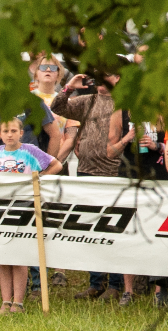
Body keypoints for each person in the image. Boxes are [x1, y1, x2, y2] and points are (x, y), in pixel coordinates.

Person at [51, 71, 136, 302]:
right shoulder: (87, 101)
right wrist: (70, 86)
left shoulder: (128, 104)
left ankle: (116, 284)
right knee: (91, 227)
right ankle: (96, 282)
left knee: (114, 228)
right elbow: (57, 107)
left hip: (114, 172)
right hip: (86, 171)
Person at [0, 116, 60, 314]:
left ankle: (18, 302)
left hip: (24, 206)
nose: (9, 135)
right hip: (1, 208)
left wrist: (39, 179)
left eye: (13, 131)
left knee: (19, 255)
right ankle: (5, 301)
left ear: (21, 133)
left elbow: (56, 165)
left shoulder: (29, 151)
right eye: (5, 131)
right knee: (3, 256)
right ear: (0, 134)